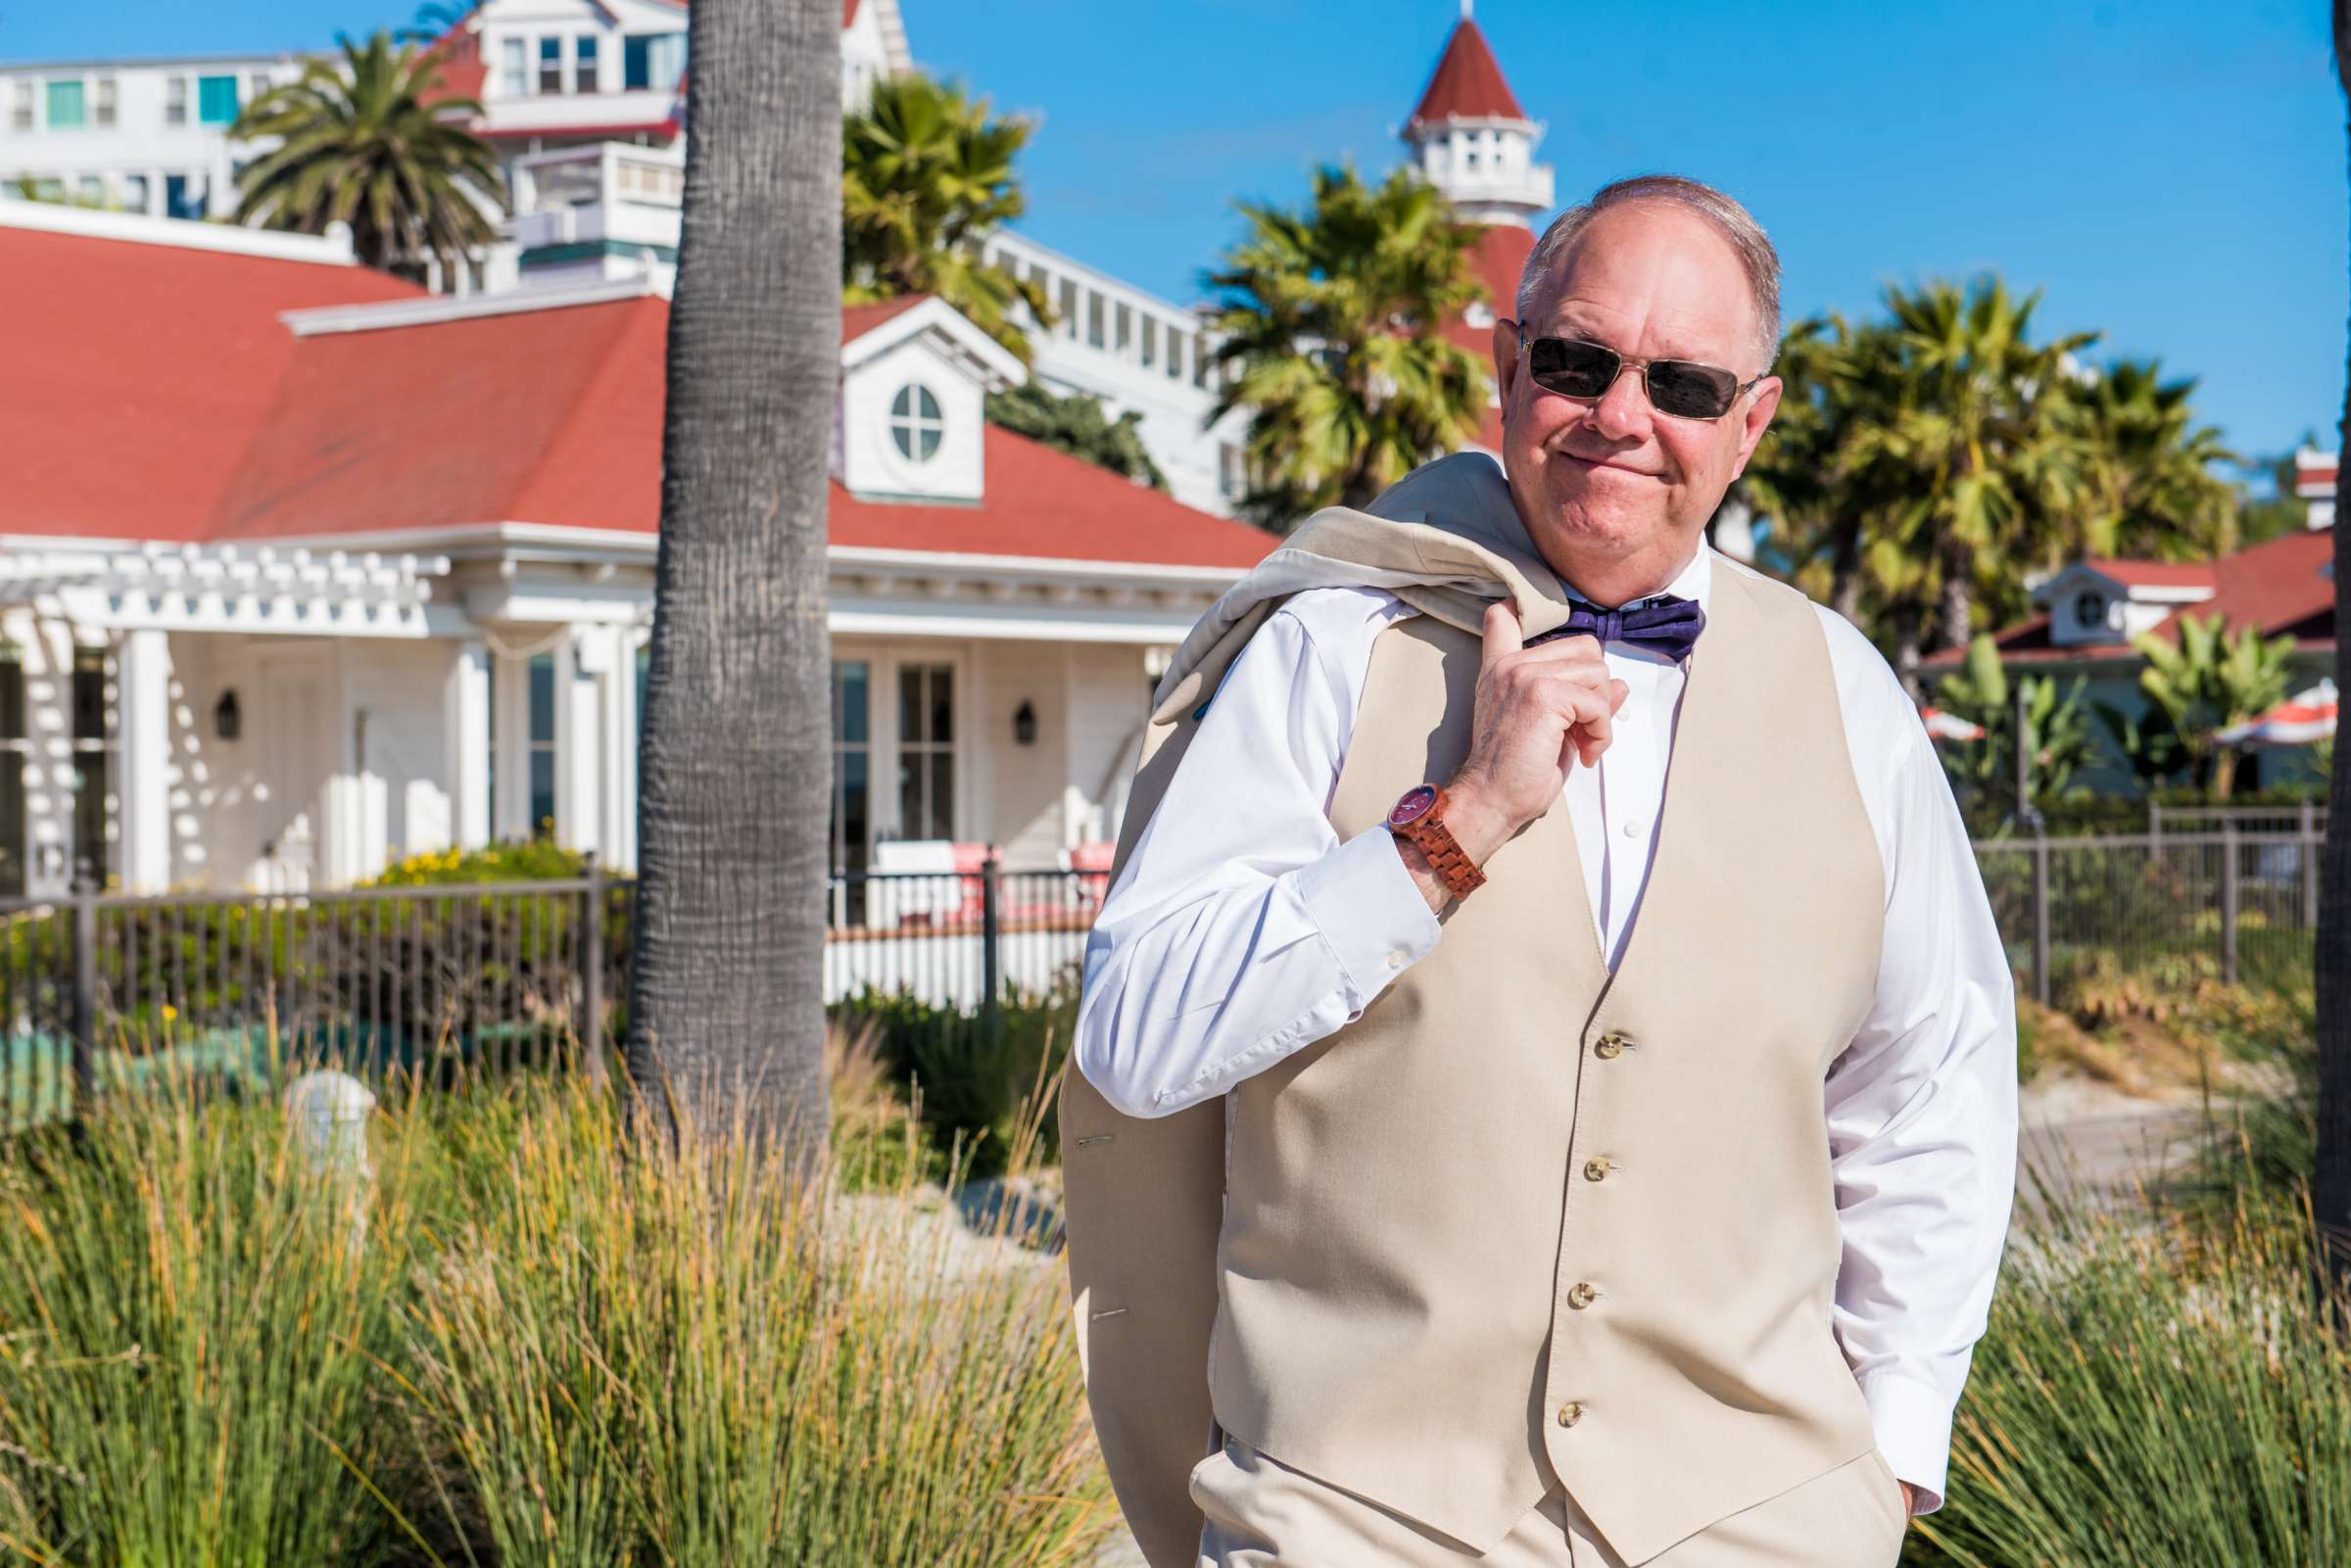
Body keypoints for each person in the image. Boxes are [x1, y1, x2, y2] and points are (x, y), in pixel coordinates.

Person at [1061, 174, 2018, 1568]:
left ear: (1749, 425)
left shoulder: (1848, 694)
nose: (1622, 414)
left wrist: (1894, 1454)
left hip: (1760, 1519)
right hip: (1353, 1515)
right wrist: (1450, 828)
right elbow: (1139, 1035)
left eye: (1685, 383)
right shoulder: (1331, 643)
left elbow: (1930, 1086)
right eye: (1579, 360)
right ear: (1509, 371)